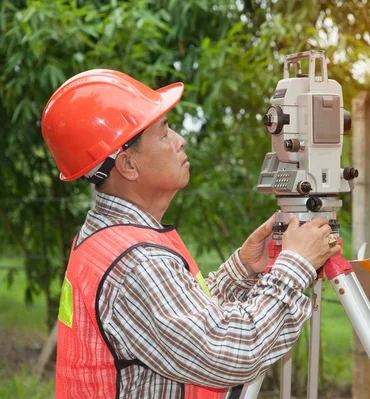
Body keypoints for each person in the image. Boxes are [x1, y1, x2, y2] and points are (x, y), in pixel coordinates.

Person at [41, 69, 341, 398]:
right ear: (128, 165)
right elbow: (231, 352)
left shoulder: (108, 238)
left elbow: (175, 320)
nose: (179, 140)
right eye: (164, 131)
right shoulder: (138, 263)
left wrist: (242, 268)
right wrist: (295, 265)